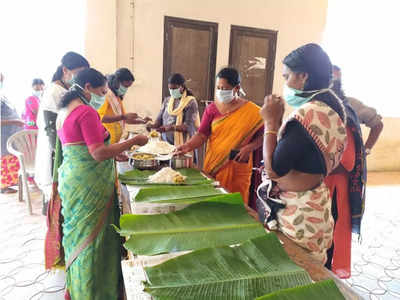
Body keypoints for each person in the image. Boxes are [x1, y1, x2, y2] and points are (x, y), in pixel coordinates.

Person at [54, 68, 148, 299]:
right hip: (89, 184)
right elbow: (97, 152)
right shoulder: (86, 112)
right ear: (87, 88)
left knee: (79, 235)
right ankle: (95, 290)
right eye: (102, 91)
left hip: (74, 179)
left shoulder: (65, 109)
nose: (104, 96)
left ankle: (79, 287)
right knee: (94, 238)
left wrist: (115, 153)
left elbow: (81, 147)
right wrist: (133, 141)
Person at [256, 44, 348, 264]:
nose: (285, 84)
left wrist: (270, 122)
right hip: (316, 204)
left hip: (299, 214)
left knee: (296, 270)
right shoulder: (333, 107)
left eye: (287, 76)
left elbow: (275, 169)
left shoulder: (309, 114)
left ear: (303, 76)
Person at [176, 68, 264, 204]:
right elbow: (202, 134)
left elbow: (265, 135)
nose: (221, 91)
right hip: (213, 165)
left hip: (238, 167)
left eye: (224, 88)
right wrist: (187, 146)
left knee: (236, 207)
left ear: (237, 88)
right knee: (211, 202)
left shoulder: (254, 112)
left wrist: (250, 147)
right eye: (218, 88)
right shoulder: (212, 108)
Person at [323, 67, 369, 278]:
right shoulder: (321, 110)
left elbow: (347, 161)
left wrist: (314, 163)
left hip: (334, 187)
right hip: (319, 185)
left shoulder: (345, 114)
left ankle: (325, 275)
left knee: (329, 234)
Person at [35, 52, 89, 214]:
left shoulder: (64, 90)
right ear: (65, 70)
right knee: (58, 204)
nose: (80, 78)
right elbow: (54, 132)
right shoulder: (55, 92)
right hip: (56, 152)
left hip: (62, 149)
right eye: (79, 73)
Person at [332, 65, 383, 155]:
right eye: (331, 79)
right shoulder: (312, 105)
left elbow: (377, 125)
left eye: (337, 80)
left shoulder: (351, 105)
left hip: (348, 165)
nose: (334, 83)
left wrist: (365, 151)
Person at [98, 68, 148, 144]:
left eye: (128, 87)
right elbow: (100, 118)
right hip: (107, 141)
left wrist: (142, 121)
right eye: (125, 86)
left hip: (116, 140)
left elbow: (124, 119)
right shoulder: (106, 96)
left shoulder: (117, 97)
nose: (125, 89)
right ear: (117, 82)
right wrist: (123, 116)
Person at [148, 73, 200, 147]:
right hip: (165, 143)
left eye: (174, 89)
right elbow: (159, 120)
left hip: (183, 144)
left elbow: (188, 126)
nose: (172, 91)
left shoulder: (190, 102)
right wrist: (151, 125)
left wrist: (171, 127)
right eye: (170, 89)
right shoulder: (167, 100)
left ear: (182, 86)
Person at [1, 73, 24, 193]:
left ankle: (10, 184)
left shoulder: (2, 96)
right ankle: (4, 187)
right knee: (5, 159)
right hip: (3, 135)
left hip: (11, 133)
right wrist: (14, 121)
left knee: (11, 158)